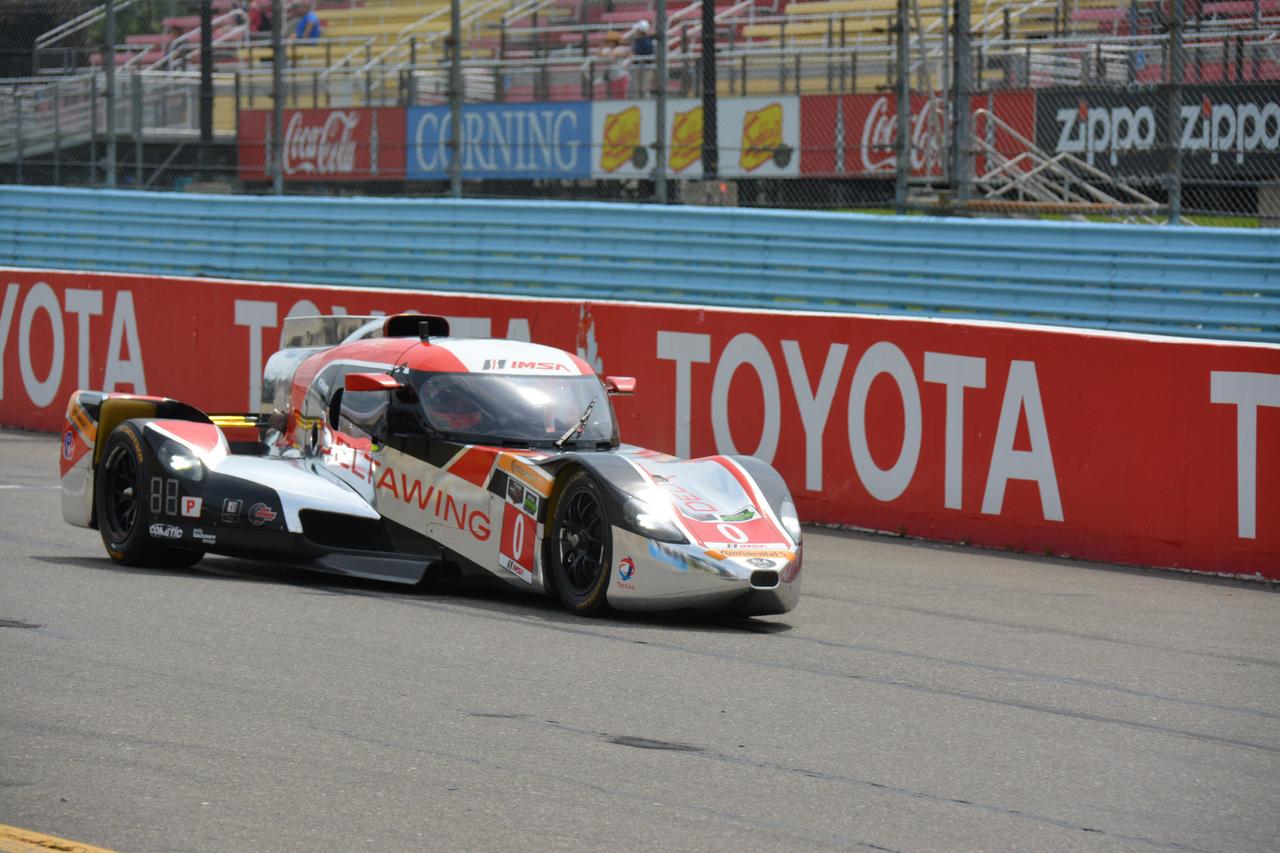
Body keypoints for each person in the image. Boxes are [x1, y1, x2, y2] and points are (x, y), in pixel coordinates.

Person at [626, 20, 655, 98]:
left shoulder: (640, 41)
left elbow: (635, 52)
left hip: (639, 66)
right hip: (646, 67)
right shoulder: (649, 39)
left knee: (639, 90)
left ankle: (640, 102)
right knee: (644, 89)